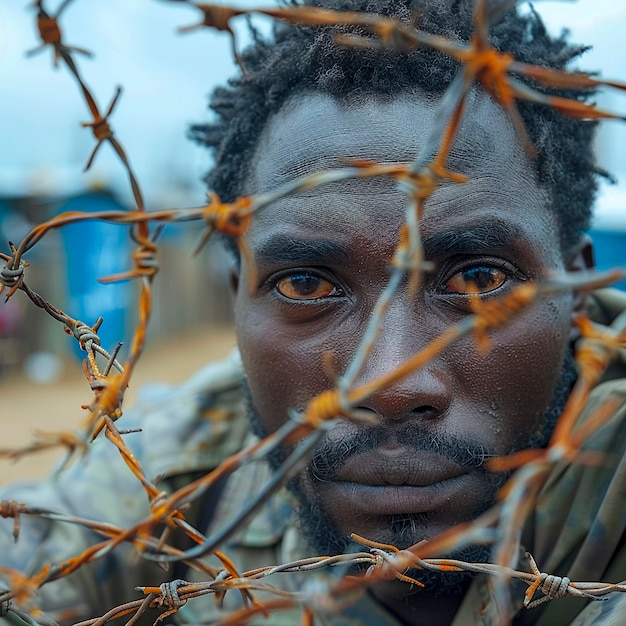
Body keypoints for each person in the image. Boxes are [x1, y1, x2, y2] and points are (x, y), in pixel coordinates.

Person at [2, 0, 626, 624]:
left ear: (577, 285)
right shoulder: (190, 466)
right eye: (305, 285)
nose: (390, 383)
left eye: (478, 277)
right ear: (235, 296)